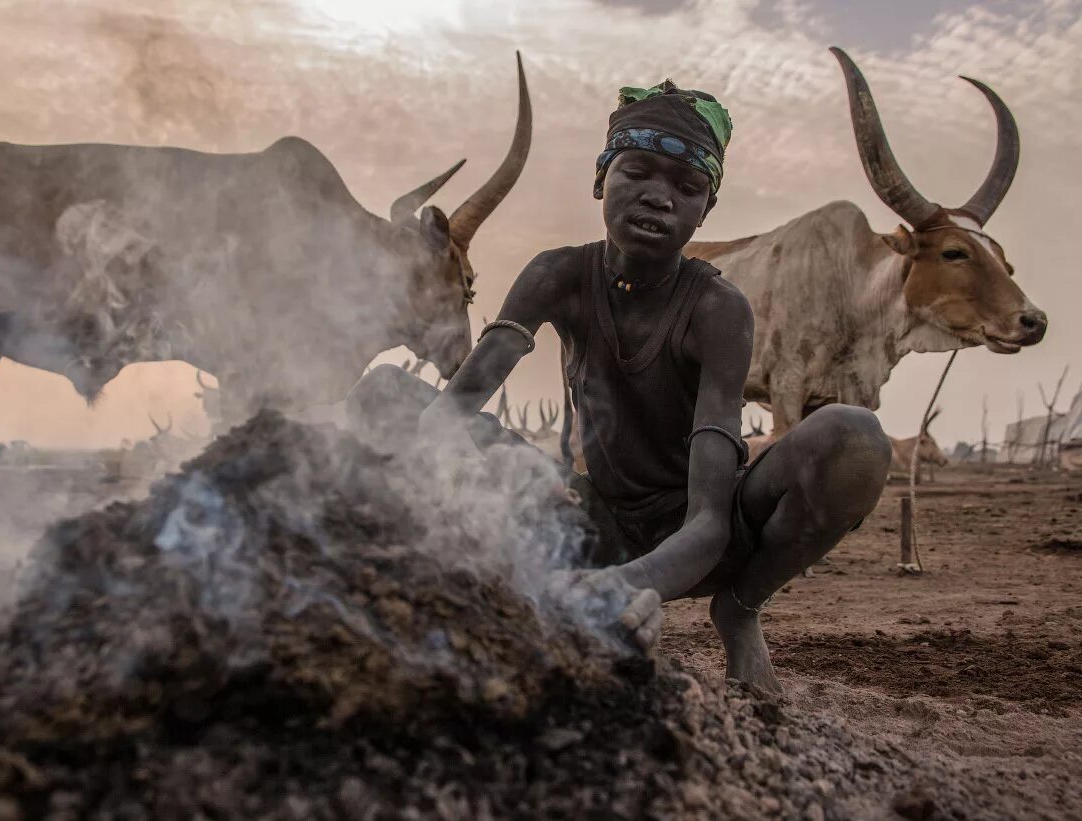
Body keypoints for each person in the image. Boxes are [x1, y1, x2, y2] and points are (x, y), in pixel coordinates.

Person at [352, 79, 890, 692]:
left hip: (702, 538)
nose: (658, 198)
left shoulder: (718, 309)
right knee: (386, 394)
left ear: (705, 210)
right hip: (583, 521)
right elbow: (454, 409)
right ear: (601, 179)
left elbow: (709, 520)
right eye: (637, 172)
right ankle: (492, 585)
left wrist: (623, 587)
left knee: (855, 438)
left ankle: (739, 613)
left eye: (686, 188)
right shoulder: (556, 274)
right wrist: (461, 466)